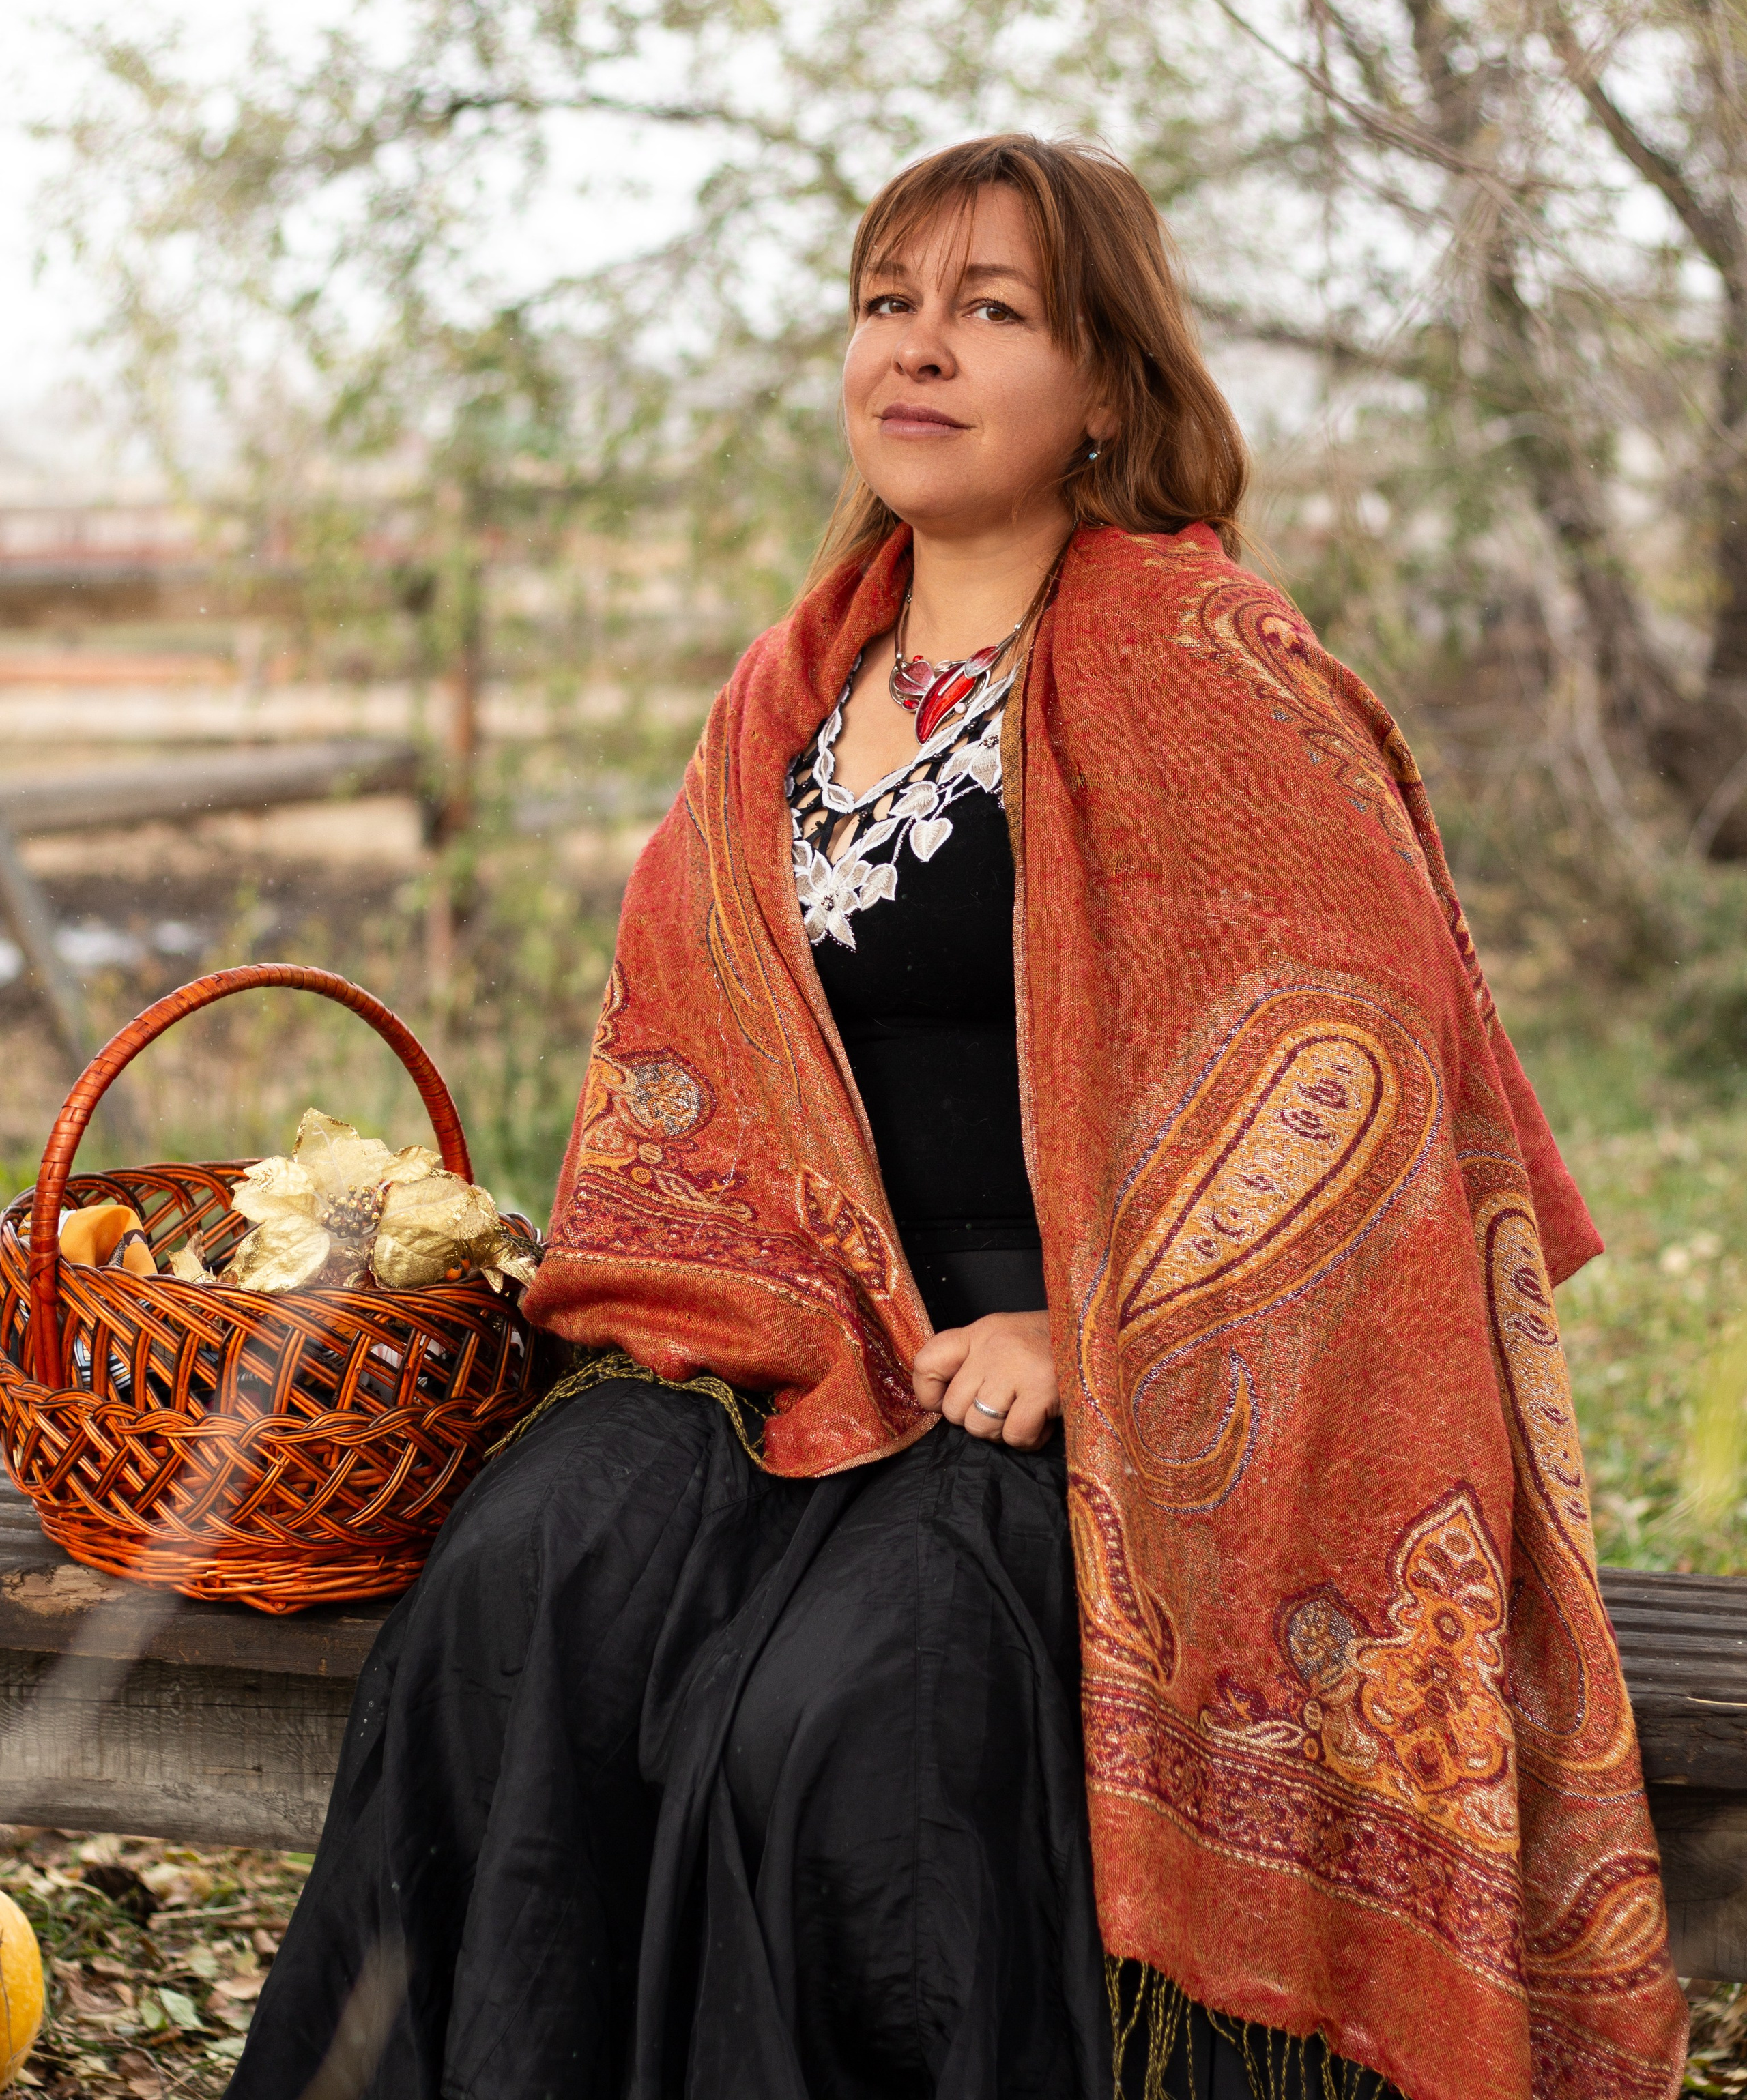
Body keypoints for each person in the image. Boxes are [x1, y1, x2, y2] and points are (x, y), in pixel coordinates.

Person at [229, 135, 1684, 2100]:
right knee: (529, 1572)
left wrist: (1092, 1335)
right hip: (799, 1324)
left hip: (1102, 1376)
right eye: (886, 304)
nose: (916, 350)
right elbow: (693, 1080)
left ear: (1107, 382)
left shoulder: (1205, 665)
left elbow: (1372, 1118)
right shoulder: (789, 695)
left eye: (989, 310)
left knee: (858, 1716)